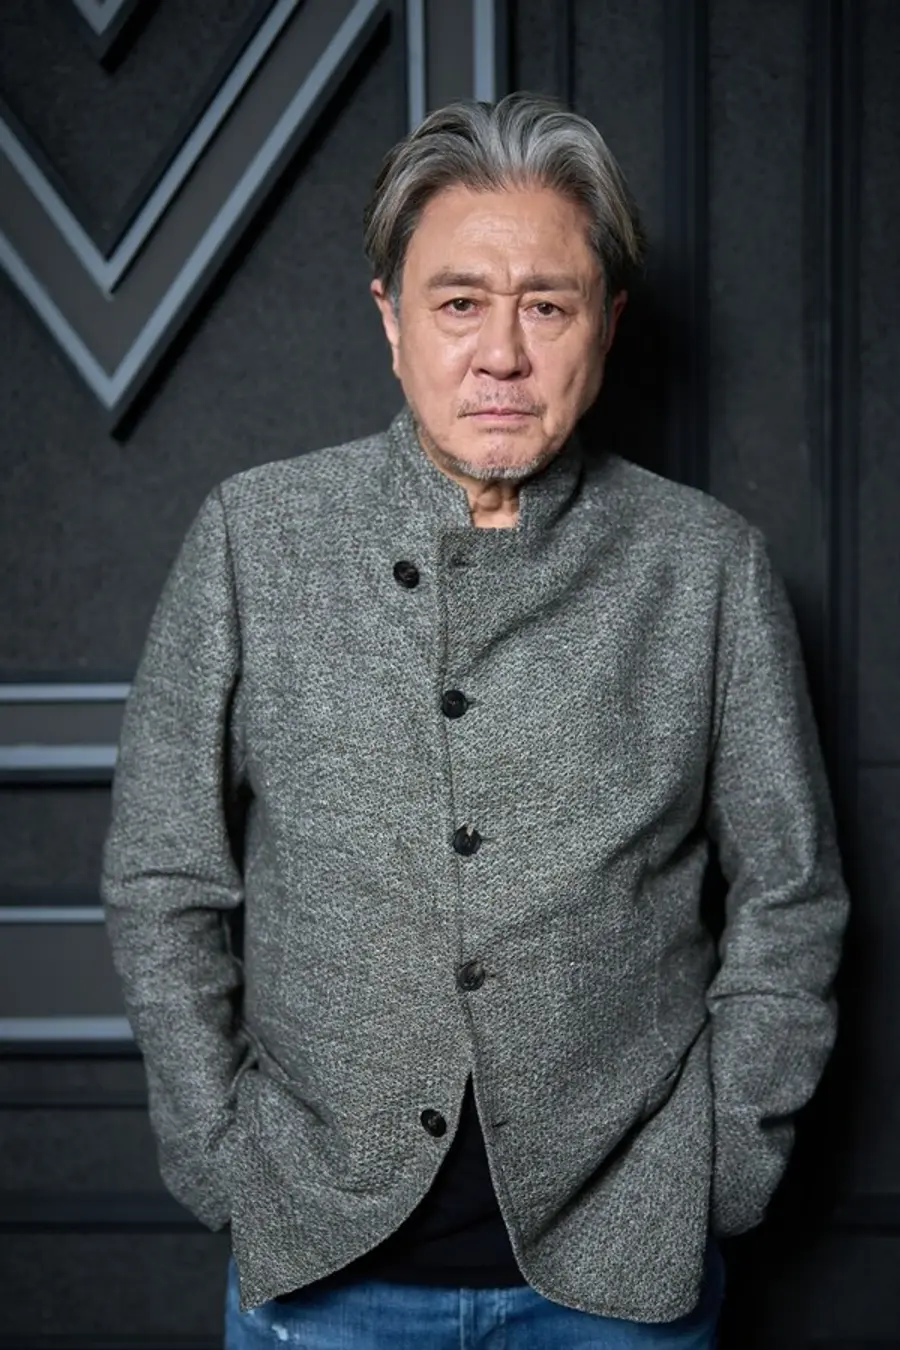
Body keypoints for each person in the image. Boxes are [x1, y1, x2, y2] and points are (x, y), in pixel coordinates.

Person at [100, 93, 849, 1349]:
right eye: (458, 303)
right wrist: (217, 1153)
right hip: (318, 1261)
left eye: (546, 306)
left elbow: (793, 892)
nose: (501, 353)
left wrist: (724, 1165)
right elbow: (161, 871)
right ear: (392, 320)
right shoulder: (254, 539)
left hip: (624, 1273)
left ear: (606, 326)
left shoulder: (707, 568)